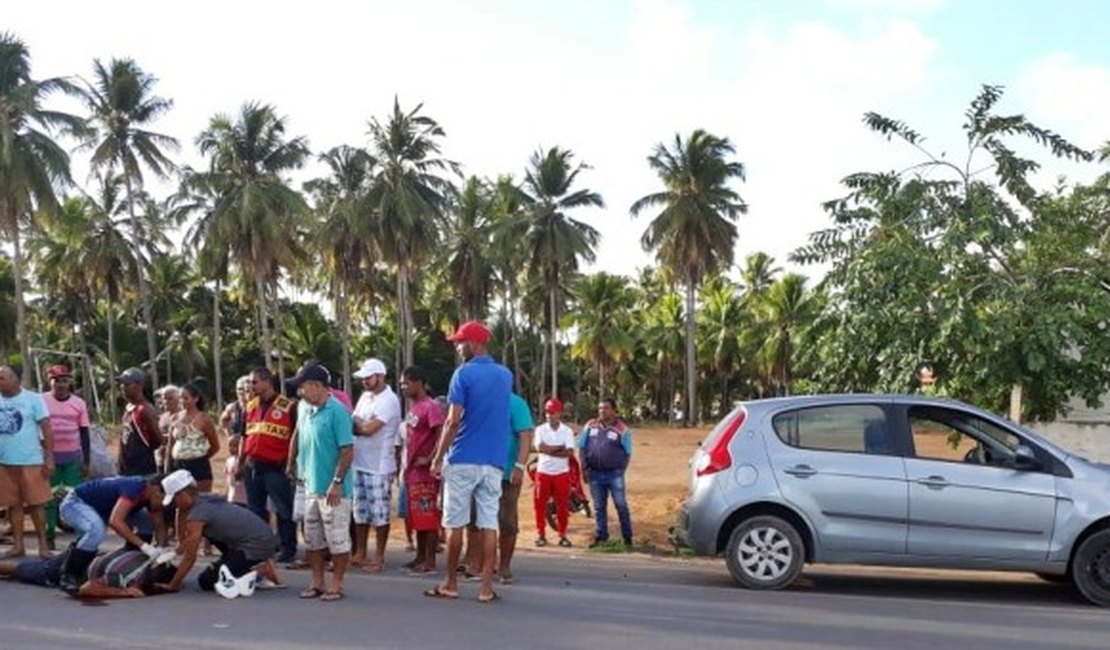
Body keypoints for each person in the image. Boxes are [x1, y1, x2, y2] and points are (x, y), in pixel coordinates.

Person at [425, 320, 511, 604]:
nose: (459, 348)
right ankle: (486, 587)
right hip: (494, 460)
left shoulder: (462, 375)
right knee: (489, 524)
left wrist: (438, 457)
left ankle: (451, 583)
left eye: (461, 342)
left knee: (455, 524)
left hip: (463, 457)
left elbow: (452, 420)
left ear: (474, 344)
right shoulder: (505, 375)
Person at [285, 363, 354, 602]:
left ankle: (337, 583)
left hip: (334, 488)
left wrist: (336, 482)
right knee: (312, 537)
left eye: (303, 386)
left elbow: (347, 449)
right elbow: (297, 434)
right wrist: (291, 461)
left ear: (317, 386)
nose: (301, 392)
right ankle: (317, 581)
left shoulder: (338, 411)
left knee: (336, 538)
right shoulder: (304, 407)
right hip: (310, 484)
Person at [153, 469, 283, 596]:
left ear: (182, 494)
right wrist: (175, 551)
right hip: (257, 538)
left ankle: (259, 571)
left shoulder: (199, 514)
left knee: (207, 581)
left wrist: (173, 585)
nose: (174, 505)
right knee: (211, 537)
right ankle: (247, 566)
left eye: (174, 500)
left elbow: (190, 557)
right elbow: (187, 540)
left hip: (255, 544)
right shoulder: (204, 499)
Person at [57, 474, 169, 590]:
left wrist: (161, 548)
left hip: (105, 509)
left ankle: (130, 559)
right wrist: (144, 546)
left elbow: (158, 522)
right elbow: (115, 522)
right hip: (75, 503)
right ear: (154, 488)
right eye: (162, 497)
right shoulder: (134, 487)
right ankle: (69, 575)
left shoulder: (151, 495)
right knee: (96, 530)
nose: (163, 503)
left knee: (146, 520)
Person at [238, 367, 298, 564]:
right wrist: (240, 463)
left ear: (267, 382)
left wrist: (291, 464)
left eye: (254, 382)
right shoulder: (250, 406)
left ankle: (287, 547)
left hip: (276, 466)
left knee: (283, 509)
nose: (251, 386)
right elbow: (244, 436)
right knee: (256, 511)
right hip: (252, 465)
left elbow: (295, 439)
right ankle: (262, 547)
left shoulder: (288, 406)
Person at [350, 358, 402, 572]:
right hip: (360, 461)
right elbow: (353, 422)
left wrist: (360, 426)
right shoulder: (365, 397)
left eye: (368, 377)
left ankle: (379, 556)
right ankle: (361, 552)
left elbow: (368, 429)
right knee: (360, 510)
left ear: (380, 376)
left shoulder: (389, 400)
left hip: (379, 465)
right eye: (363, 378)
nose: (364, 381)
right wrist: (360, 425)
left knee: (379, 512)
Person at [0, 365, 54, 559]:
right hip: (5, 462)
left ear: (16, 379)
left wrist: (49, 457)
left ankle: (43, 546)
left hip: (31, 460)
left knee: (36, 504)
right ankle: (18, 545)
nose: (0, 381)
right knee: (13, 505)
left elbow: (46, 428)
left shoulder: (33, 399)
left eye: (2, 377)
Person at [0, 545, 178, 599]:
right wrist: (125, 592)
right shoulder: (128, 577)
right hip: (73, 569)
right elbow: (87, 588)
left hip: (83, 556)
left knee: (31, 566)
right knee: (24, 570)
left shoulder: (144, 557)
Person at [399, 366, 445, 574]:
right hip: (411, 472)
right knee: (417, 516)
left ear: (419, 383)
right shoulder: (413, 407)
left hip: (426, 472)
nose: (403, 387)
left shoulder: (430, 406)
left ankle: (430, 560)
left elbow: (441, 433)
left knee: (428, 515)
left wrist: (431, 458)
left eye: (406, 383)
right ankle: (419, 555)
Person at [41, 364, 91, 550]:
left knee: (73, 498)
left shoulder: (79, 403)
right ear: (50, 381)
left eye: (64, 380)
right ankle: (49, 536)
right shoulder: (41, 400)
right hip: (49, 458)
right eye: (56, 380)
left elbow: (84, 433)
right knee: (50, 498)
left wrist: (86, 461)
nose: (61, 384)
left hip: (72, 458)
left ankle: (81, 539)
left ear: (69, 382)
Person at [579, 397, 634, 547]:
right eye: (600, 408)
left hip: (614, 474)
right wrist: (583, 468)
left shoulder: (622, 429)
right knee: (598, 507)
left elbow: (628, 452)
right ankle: (601, 536)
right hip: (594, 473)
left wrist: (621, 470)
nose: (602, 411)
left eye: (606, 408)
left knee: (621, 505)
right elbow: (582, 447)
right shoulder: (590, 425)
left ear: (614, 410)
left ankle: (627, 538)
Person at [495, 390, 533, 584]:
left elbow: (525, 435)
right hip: (483, 469)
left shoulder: (516, 403)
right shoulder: (481, 399)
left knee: (507, 520)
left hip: (508, 472)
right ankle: (483, 564)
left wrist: (519, 466)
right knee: (480, 520)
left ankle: (504, 566)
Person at [533, 397, 576, 548]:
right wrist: (559, 448)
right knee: (539, 504)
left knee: (562, 506)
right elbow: (540, 449)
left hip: (561, 473)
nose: (550, 415)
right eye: (547, 412)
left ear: (559, 413)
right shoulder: (540, 430)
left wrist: (549, 450)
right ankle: (541, 534)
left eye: (553, 412)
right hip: (543, 472)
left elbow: (569, 452)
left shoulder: (567, 431)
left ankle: (563, 534)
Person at [166, 382, 220, 492]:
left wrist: (200, 457)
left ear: (195, 399)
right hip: (178, 465)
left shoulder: (204, 419)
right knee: (180, 500)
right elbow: (170, 445)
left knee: (200, 501)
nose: (182, 401)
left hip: (198, 466)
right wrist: (167, 467)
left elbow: (215, 446)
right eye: (180, 398)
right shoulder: (174, 418)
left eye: (186, 398)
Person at [117, 368, 163, 477]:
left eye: (127, 384)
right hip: (126, 469)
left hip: (142, 470)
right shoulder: (128, 408)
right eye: (122, 384)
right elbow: (124, 439)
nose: (123, 387)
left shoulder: (145, 409)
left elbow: (158, 440)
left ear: (139, 385)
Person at [225, 436, 247, 504]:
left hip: (244, 500)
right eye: (230, 445)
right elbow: (228, 481)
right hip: (232, 498)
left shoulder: (246, 463)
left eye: (235, 446)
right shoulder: (228, 461)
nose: (231, 448)